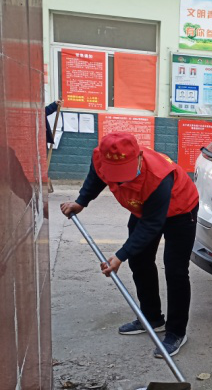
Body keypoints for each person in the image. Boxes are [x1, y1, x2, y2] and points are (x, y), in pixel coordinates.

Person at [60, 132, 199, 358]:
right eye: (115, 175)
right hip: (144, 209)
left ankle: (176, 332)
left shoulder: (159, 177)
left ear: (139, 157)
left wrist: (119, 255)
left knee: (175, 270)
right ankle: (151, 318)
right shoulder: (101, 158)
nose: (120, 182)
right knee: (139, 260)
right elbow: (97, 176)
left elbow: (151, 225)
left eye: (124, 174)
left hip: (180, 211)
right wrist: (81, 202)